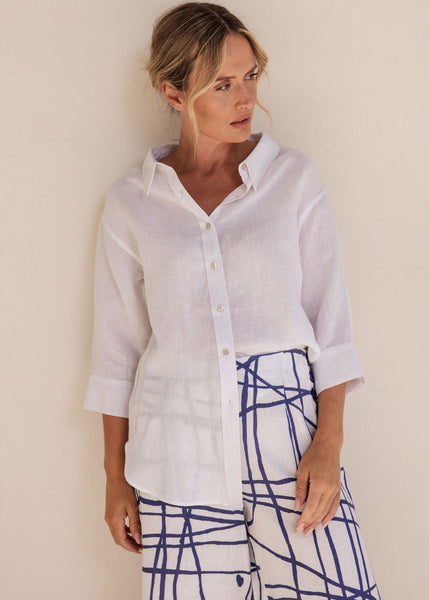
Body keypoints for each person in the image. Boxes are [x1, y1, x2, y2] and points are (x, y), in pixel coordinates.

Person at [84, 3, 381, 599]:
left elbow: (330, 326)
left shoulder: (291, 179)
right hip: (176, 455)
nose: (245, 98)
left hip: (286, 441)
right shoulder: (132, 204)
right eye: (222, 85)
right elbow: (118, 355)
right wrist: (115, 480)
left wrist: (329, 444)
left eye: (250, 76)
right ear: (174, 94)